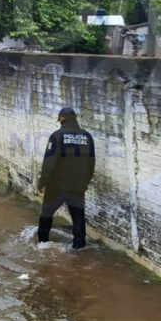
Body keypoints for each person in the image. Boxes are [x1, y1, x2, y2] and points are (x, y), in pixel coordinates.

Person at [37, 106, 96, 249]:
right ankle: (79, 248)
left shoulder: (56, 136)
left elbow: (49, 163)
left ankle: (42, 245)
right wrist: (84, 183)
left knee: (46, 214)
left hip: (56, 187)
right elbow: (91, 163)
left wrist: (42, 183)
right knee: (78, 219)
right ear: (75, 119)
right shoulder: (87, 136)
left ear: (62, 119)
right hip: (77, 187)